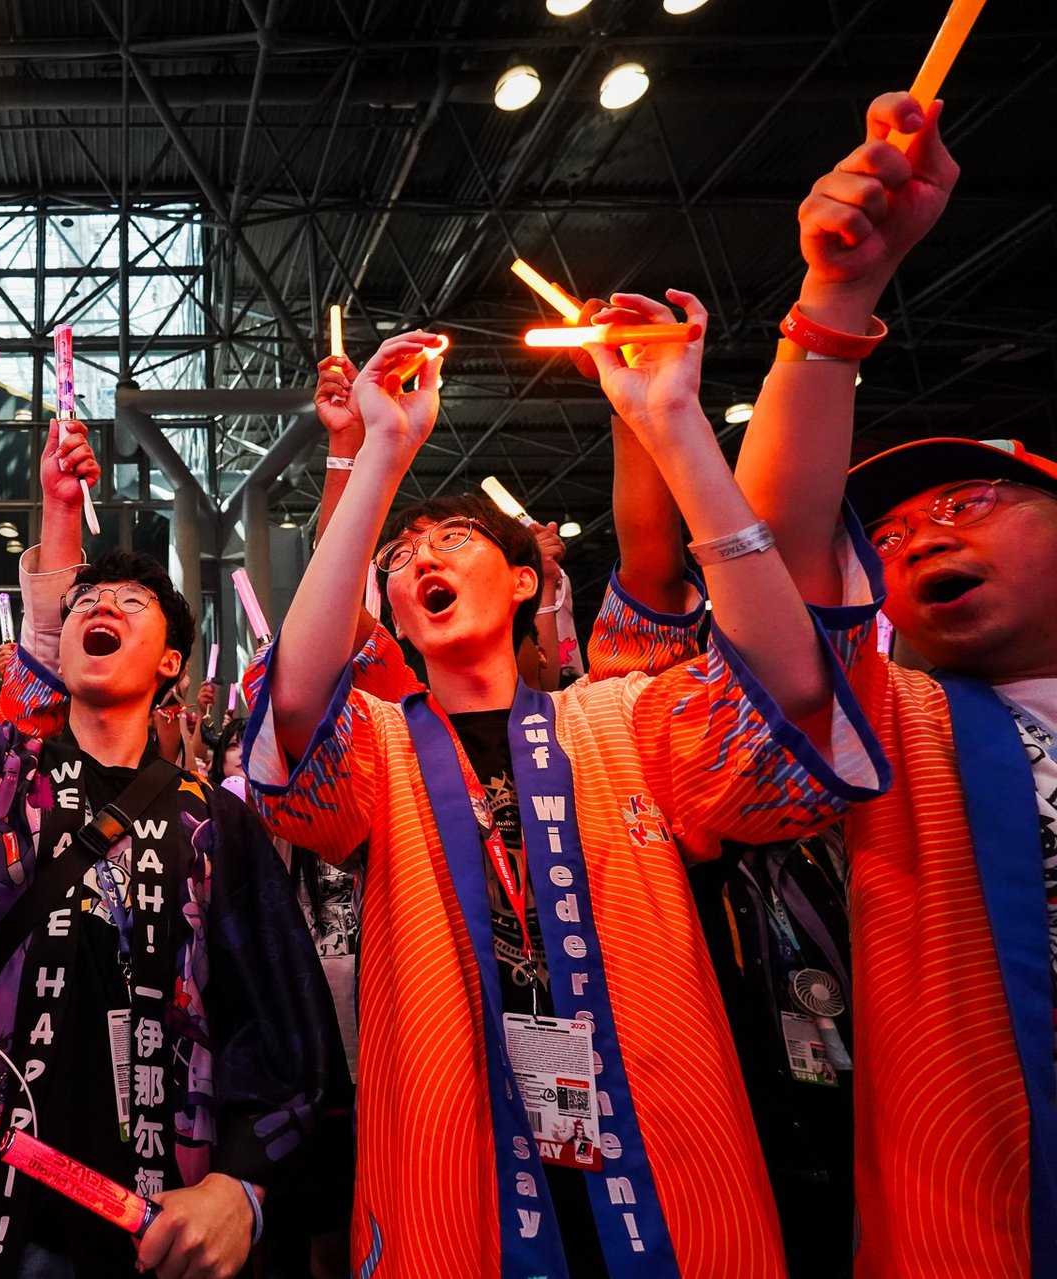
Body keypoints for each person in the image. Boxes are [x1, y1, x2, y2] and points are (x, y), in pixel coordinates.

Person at [243, 304, 886, 1276]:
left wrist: (675, 424)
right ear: (394, 622)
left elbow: (790, 690)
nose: (420, 555)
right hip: (458, 1188)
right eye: (400, 557)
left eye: (452, 539)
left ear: (517, 585)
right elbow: (293, 708)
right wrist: (374, 456)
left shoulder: (624, 718)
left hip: (668, 1172)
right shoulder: (378, 750)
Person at [0, 372, 348, 1279]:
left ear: (170, 664)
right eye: (81, 603)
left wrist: (243, 1190)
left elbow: (287, 1045)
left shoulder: (215, 825)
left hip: (162, 1225)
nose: (98, 608)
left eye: (131, 604)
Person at [734, 92, 1056, 1275]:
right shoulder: (889, 729)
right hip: (977, 1220)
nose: (918, 537)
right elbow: (766, 548)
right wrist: (833, 304)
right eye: (893, 532)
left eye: (967, 504)